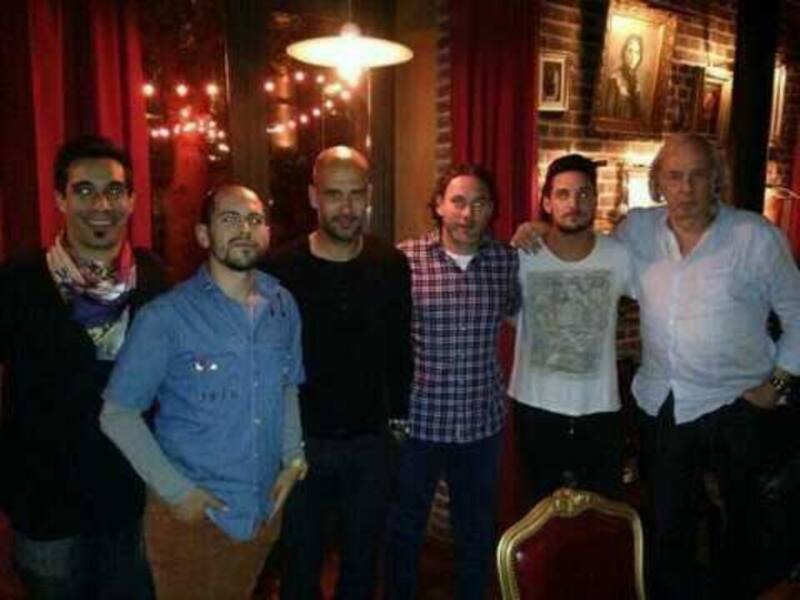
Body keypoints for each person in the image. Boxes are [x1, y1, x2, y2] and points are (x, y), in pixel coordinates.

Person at [513, 133, 800, 598]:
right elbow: (582, 250)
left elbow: (798, 313)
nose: (685, 188)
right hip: (663, 404)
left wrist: (780, 384)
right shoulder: (637, 232)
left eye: (697, 176)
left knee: (743, 529)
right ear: (657, 183)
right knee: (667, 530)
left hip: (738, 405)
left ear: (716, 181)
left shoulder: (756, 237)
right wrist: (537, 229)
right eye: (674, 176)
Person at [101, 185, 306, 599]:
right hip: (194, 522)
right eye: (229, 219)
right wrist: (179, 494)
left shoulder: (283, 304)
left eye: (254, 220)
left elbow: (286, 385)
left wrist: (293, 458)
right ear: (203, 235)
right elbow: (117, 414)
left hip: (262, 511)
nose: (244, 229)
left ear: (267, 232)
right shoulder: (166, 317)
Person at [0, 135, 163, 598]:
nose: (101, 204)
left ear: (131, 200)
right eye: (84, 190)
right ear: (60, 198)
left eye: (114, 190)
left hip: (129, 501)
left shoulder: (153, 277)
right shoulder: (18, 282)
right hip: (46, 505)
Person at [264, 146, 412, 600]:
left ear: (368, 195)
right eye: (334, 195)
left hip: (370, 444)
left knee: (362, 565)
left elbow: (399, 347)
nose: (346, 208)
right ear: (313, 196)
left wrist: (398, 422)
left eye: (355, 195)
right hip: (301, 445)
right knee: (299, 564)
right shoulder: (280, 268)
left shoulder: (390, 264)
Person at [385, 164, 520, 600]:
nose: (468, 213)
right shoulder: (404, 260)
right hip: (421, 423)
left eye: (479, 203)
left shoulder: (506, 261)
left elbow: (518, 311)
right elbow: (385, 336)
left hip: (481, 422)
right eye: (458, 201)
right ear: (439, 206)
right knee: (405, 526)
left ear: (491, 210)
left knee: (476, 528)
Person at [509, 154, 634, 503]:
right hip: (535, 406)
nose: (573, 203)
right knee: (539, 512)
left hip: (599, 408)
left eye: (583, 194)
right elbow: (504, 312)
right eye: (562, 194)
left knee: (599, 515)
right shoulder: (522, 255)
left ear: (595, 199)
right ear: (547, 202)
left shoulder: (619, 256)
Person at [601, 33, 643, 120]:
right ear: (624, 52)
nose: (633, 56)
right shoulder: (615, 79)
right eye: (630, 51)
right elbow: (608, 114)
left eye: (637, 52)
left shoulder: (637, 82)